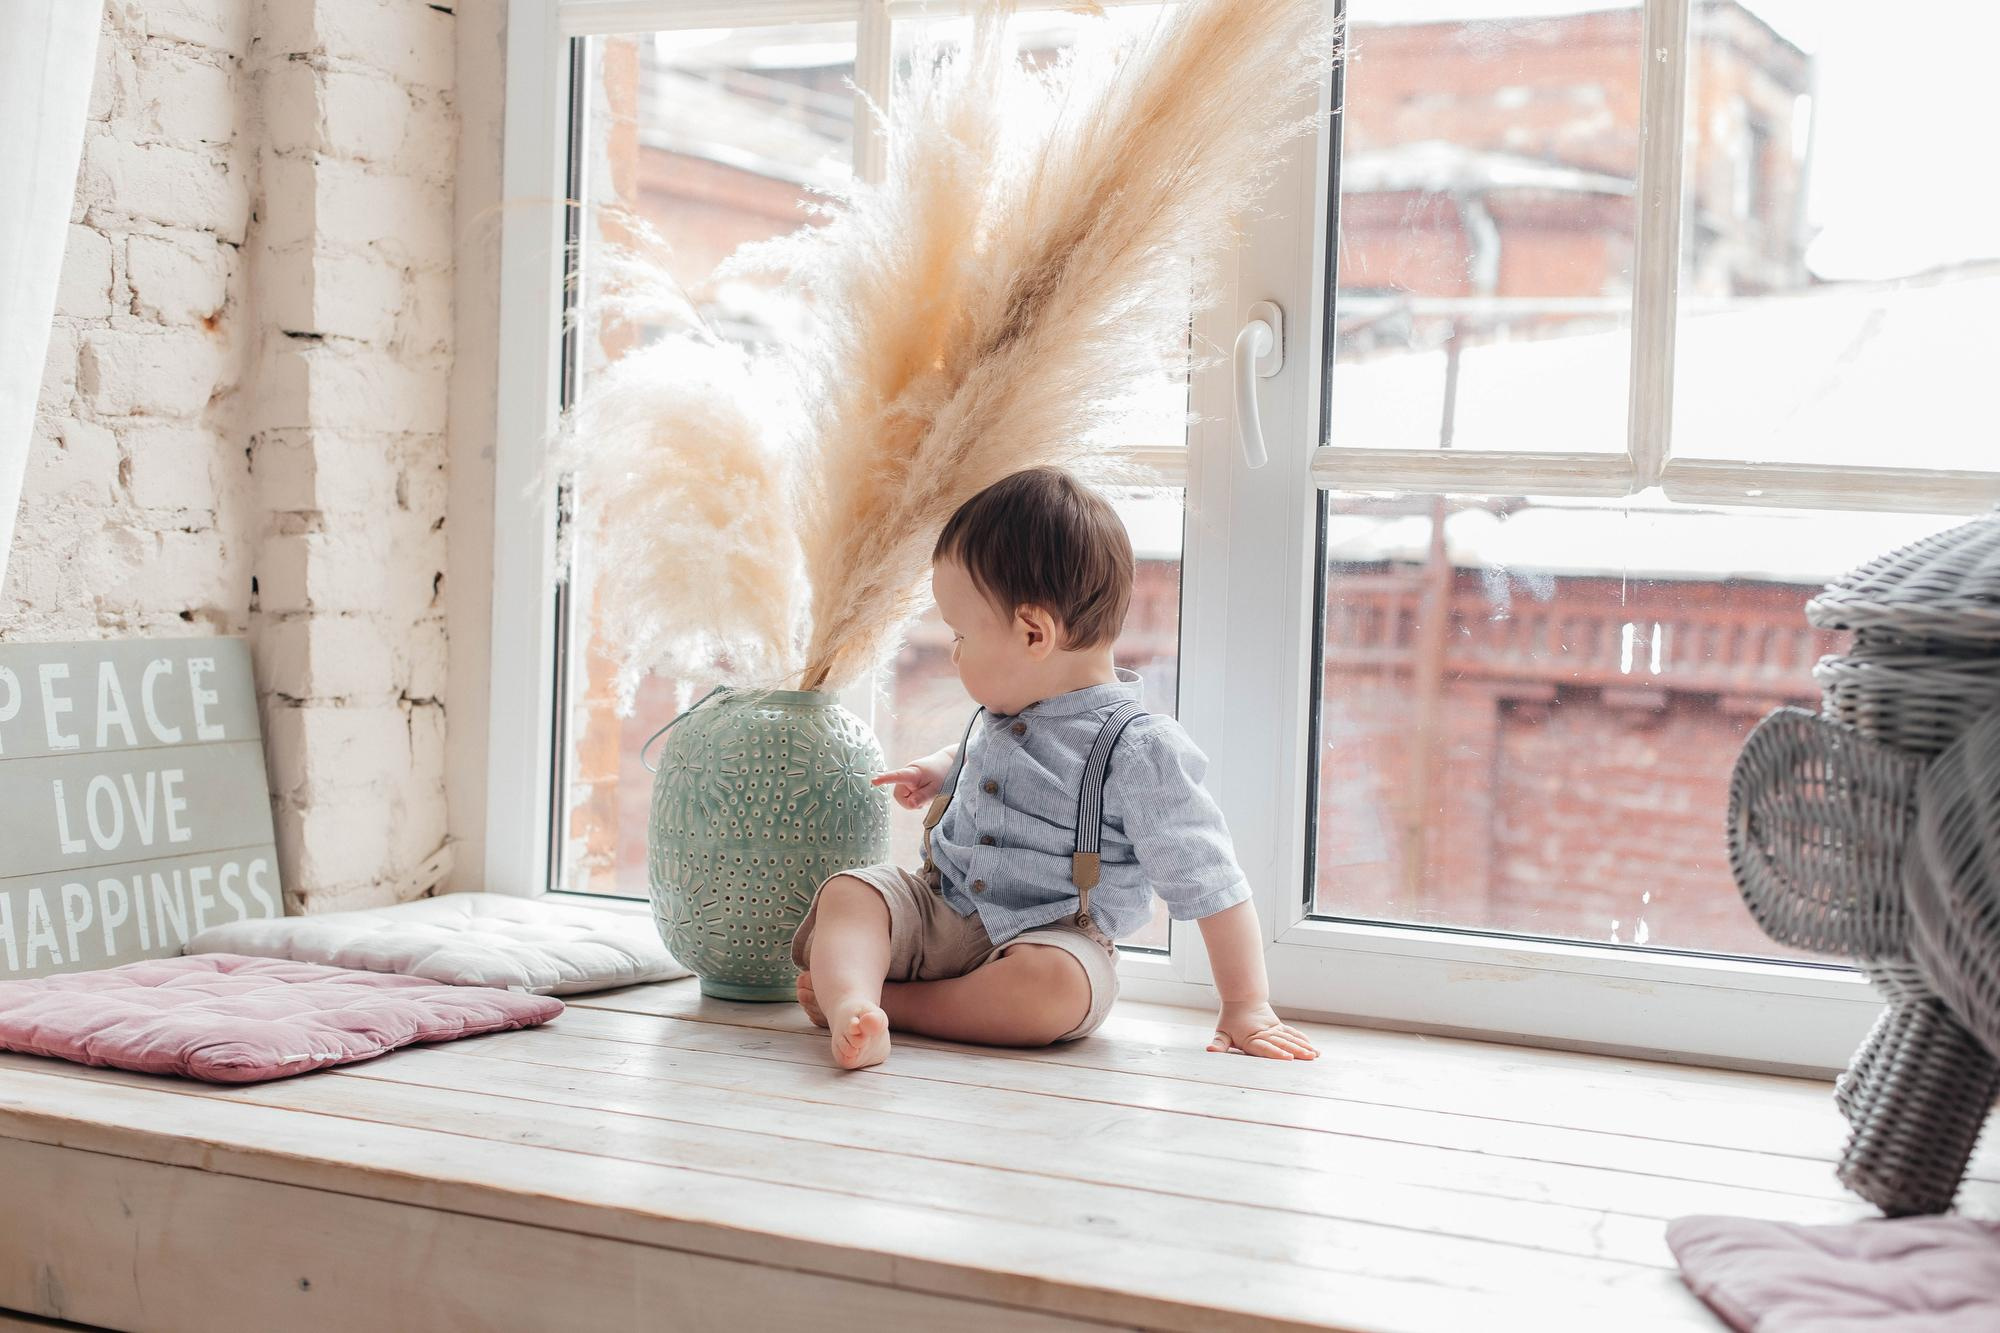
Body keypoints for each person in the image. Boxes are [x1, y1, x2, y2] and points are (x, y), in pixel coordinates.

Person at [790, 467, 1320, 1070]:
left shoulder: (1138, 749)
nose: (954, 650)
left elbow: (1213, 883)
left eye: (961, 634)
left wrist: (1247, 1004)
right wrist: (939, 770)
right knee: (853, 892)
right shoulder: (1005, 705)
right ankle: (855, 1001)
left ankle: (890, 1006)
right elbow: (984, 759)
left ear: (1034, 632)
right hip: (943, 908)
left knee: (1056, 992)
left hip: (1050, 939)